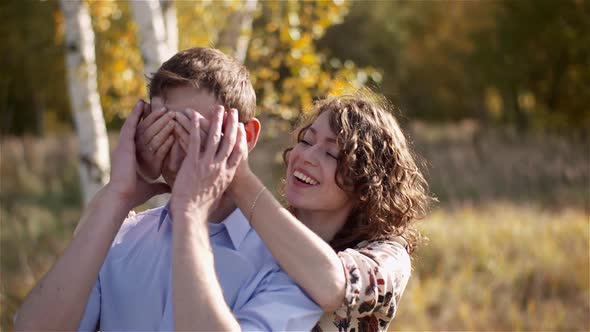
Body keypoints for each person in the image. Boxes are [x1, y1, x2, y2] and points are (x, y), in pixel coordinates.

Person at [14, 47, 323, 331]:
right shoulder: (121, 237)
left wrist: (192, 209)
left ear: (247, 137)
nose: (176, 153)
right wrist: (119, 194)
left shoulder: (288, 261)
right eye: (163, 129)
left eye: (194, 130)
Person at [226, 90, 432, 331]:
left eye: (331, 153)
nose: (306, 156)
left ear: (366, 179)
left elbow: (331, 286)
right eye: (306, 141)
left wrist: (240, 182)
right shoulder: (258, 231)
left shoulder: (389, 258)